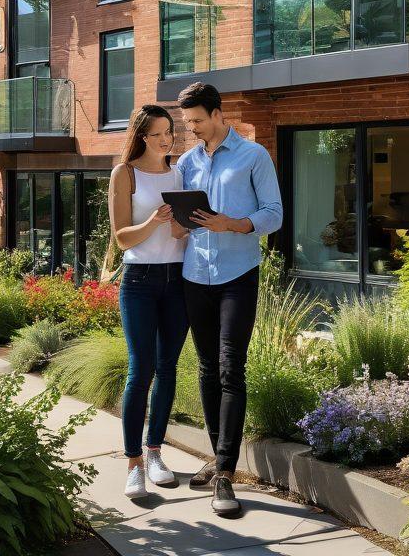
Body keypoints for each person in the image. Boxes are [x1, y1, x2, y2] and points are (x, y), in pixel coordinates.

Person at [176, 81, 283, 517]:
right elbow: (182, 224)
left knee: (229, 367)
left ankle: (225, 472)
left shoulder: (253, 156)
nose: (193, 129)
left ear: (218, 113)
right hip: (194, 275)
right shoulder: (185, 161)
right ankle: (215, 456)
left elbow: (274, 215)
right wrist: (175, 221)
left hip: (238, 275)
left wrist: (232, 224)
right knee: (205, 368)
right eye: (188, 123)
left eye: (197, 121)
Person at [109, 104, 190, 500]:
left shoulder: (181, 174)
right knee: (140, 371)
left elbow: (187, 235)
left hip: (178, 280)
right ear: (142, 135)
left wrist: (181, 230)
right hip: (139, 280)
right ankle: (133, 463)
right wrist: (154, 222)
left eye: (169, 132)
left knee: (167, 368)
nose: (165, 139)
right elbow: (122, 237)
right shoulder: (125, 174)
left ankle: (156, 452)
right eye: (157, 133)